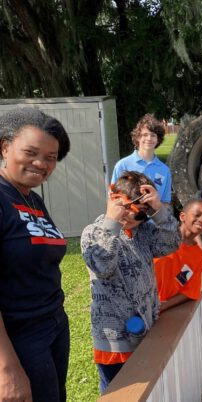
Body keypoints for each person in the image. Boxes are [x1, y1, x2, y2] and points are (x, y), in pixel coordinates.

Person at [81, 171, 180, 394]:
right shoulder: (94, 232)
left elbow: (171, 244)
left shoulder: (143, 231)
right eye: (131, 210)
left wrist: (159, 211)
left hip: (146, 329)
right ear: (115, 199)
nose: (135, 218)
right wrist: (112, 222)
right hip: (114, 340)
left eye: (142, 214)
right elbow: (103, 266)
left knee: (148, 390)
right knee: (118, 393)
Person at [0, 107, 71, 402]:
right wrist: (5, 368)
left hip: (53, 323)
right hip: (19, 335)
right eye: (31, 152)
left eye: (51, 158)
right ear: (4, 147)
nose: (41, 163)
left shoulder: (31, 197)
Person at [154, 199, 202, 312]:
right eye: (197, 215)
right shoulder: (159, 237)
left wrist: (163, 306)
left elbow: (189, 291)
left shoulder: (198, 255)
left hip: (161, 312)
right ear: (182, 217)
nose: (201, 220)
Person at [111, 114, 172, 203]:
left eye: (153, 135)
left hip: (154, 217)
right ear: (138, 137)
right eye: (145, 135)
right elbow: (113, 198)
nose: (149, 138)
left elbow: (166, 202)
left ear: (158, 139)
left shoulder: (164, 170)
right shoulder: (122, 165)